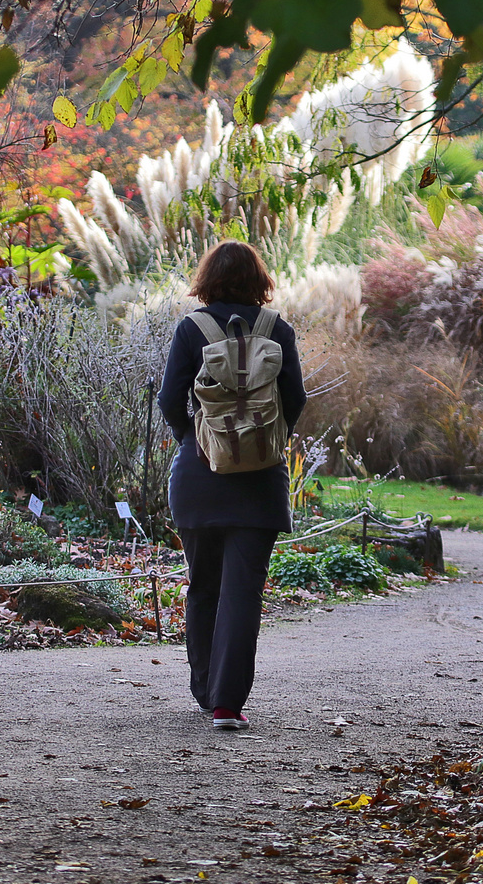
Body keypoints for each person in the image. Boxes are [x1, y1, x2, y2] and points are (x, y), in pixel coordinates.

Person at [158, 240, 306, 731]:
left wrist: (195, 439)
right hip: (260, 481)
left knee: (203, 586)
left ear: (208, 279)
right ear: (258, 279)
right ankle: (226, 705)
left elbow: (168, 400)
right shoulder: (276, 329)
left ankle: (205, 691)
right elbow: (296, 398)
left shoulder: (192, 328)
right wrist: (266, 442)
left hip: (200, 476)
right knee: (243, 592)